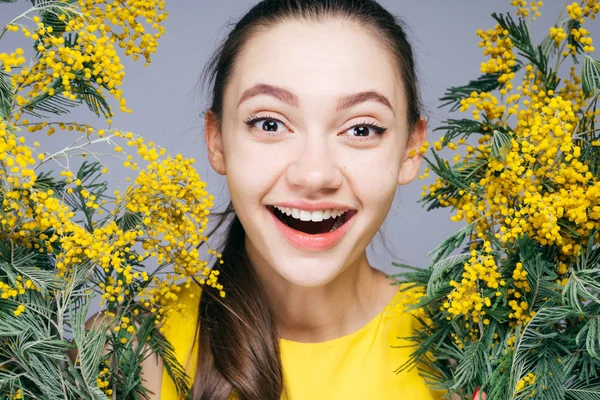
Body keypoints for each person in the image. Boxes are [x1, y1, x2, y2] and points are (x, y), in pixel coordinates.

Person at [79, 1, 488, 399]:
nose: (314, 175)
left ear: (411, 150)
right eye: (270, 123)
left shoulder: (475, 352)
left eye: (361, 129)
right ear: (217, 140)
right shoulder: (126, 353)